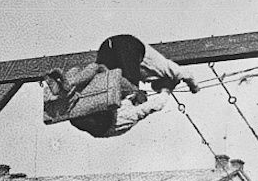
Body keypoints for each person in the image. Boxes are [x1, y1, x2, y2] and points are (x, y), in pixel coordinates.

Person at [46, 34, 200, 138]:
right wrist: (187, 88)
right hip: (128, 47)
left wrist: (165, 90)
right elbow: (157, 103)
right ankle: (69, 86)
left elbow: (154, 104)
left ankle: (70, 83)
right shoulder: (166, 69)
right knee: (107, 83)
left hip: (108, 47)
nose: (146, 83)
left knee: (97, 70)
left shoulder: (129, 108)